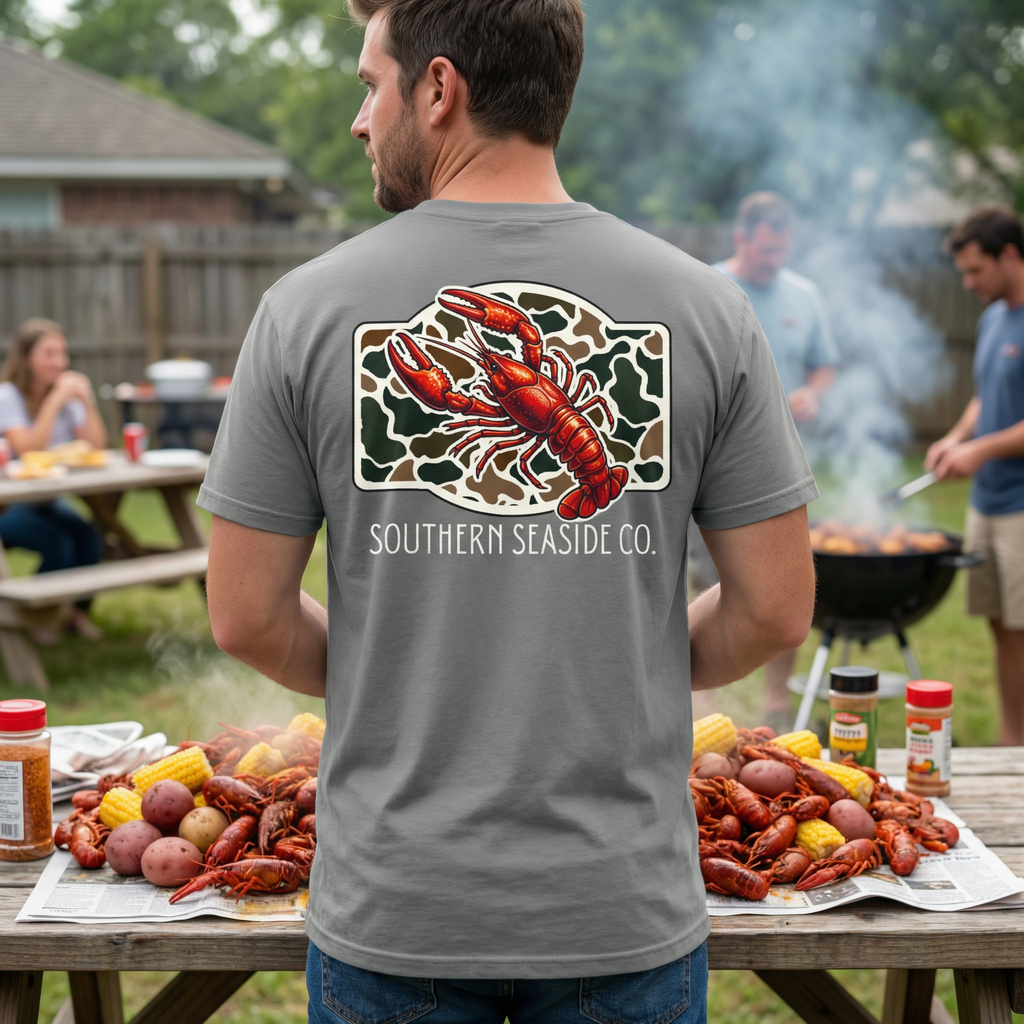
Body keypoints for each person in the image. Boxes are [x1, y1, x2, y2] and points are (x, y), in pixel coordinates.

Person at [197, 1, 817, 1020]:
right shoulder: (710, 309)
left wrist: (390, 672)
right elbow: (776, 610)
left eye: (370, 86)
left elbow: (246, 616)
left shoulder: (303, 310)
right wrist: (636, 661)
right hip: (622, 906)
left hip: (395, 911)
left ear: (440, 90)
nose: (361, 121)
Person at [694, 192, 838, 727]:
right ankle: (701, 711)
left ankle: (778, 702)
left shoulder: (805, 296)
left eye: (781, 252)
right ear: (740, 239)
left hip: (785, 471)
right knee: (703, 580)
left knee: (785, 583)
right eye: (764, 252)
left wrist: (816, 394)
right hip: (711, 473)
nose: (773, 262)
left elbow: (825, 365)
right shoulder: (708, 289)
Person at [925, 205, 1024, 746]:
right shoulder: (992, 319)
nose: (967, 284)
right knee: (1001, 627)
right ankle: (1014, 741)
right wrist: (957, 439)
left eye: (975, 271)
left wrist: (981, 450)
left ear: (1009, 254)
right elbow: (986, 398)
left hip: (1021, 506)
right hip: (987, 501)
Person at [0, 318, 107, 642]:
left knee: (89, 538)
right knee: (58, 543)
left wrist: (85, 403)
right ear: (26, 358)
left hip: (48, 500)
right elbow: (28, 448)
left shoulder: (66, 396)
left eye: (62, 353)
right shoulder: (8, 396)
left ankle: (74, 615)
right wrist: (55, 402)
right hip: (9, 506)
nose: (59, 362)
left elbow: (96, 445)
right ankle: (37, 619)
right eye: (49, 353)